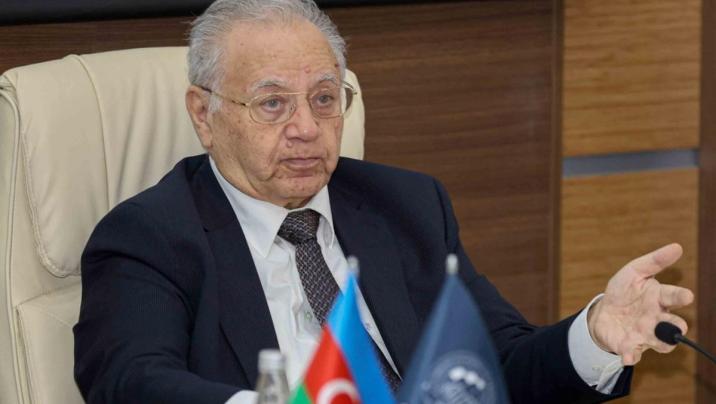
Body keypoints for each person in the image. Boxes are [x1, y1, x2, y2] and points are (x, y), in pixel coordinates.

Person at [73, 0, 694, 403]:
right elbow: (130, 382)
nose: (306, 128)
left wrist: (596, 335)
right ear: (204, 115)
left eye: (324, 98)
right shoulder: (150, 235)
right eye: (272, 103)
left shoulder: (407, 205)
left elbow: (493, 362)